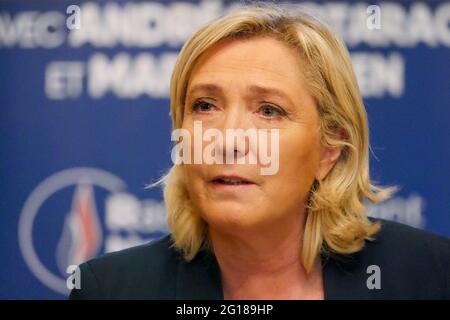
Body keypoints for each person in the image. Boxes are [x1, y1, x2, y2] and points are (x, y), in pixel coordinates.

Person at [70, 4, 450, 300]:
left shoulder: (430, 275)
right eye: (204, 106)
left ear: (329, 149)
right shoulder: (110, 289)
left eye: (269, 110)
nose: (228, 140)